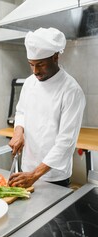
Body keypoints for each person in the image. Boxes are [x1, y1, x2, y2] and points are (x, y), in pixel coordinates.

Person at [8, 27, 86, 188]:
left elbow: (66, 142)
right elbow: (21, 111)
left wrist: (35, 174)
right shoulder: (30, 82)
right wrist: (18, 131)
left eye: (41, 64)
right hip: (27, 168)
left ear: (55, 57)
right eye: (31, 65)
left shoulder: (71, 90)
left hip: (53, 175)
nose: (36, 71)